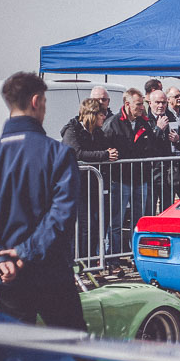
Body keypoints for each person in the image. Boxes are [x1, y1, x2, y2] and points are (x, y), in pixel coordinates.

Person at [0, 72, 85, 330]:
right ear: (36, 100)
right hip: (50, 271)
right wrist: (25, 251)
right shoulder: (59, 155)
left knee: (16, 355)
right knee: (73, 350)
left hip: (7, 275)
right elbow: (62, 214)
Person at [103, 88, 169, 256]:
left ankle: (137, 256)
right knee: (116, 221)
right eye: (139, 104)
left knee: (138, 220)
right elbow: (105, 147)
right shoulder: (113, 123)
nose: (142, 107)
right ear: (127, 104)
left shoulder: (143, 122)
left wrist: (158, 133)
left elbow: (153, 146)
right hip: (120, 179)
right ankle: (114, 258)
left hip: (141, 178)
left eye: (142, 104)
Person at [61, 98, 118, 258]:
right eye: (101, 115)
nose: (104, 118)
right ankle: (81, 262)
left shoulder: (97, 132)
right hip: (76, 186)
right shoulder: (72, 130)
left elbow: (103, 147)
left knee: (96, 225)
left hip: (93, 185)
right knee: (84, 225)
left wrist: (109, 152)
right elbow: (76, 153)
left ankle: (91, 261)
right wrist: (105, 155)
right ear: (92, 115)